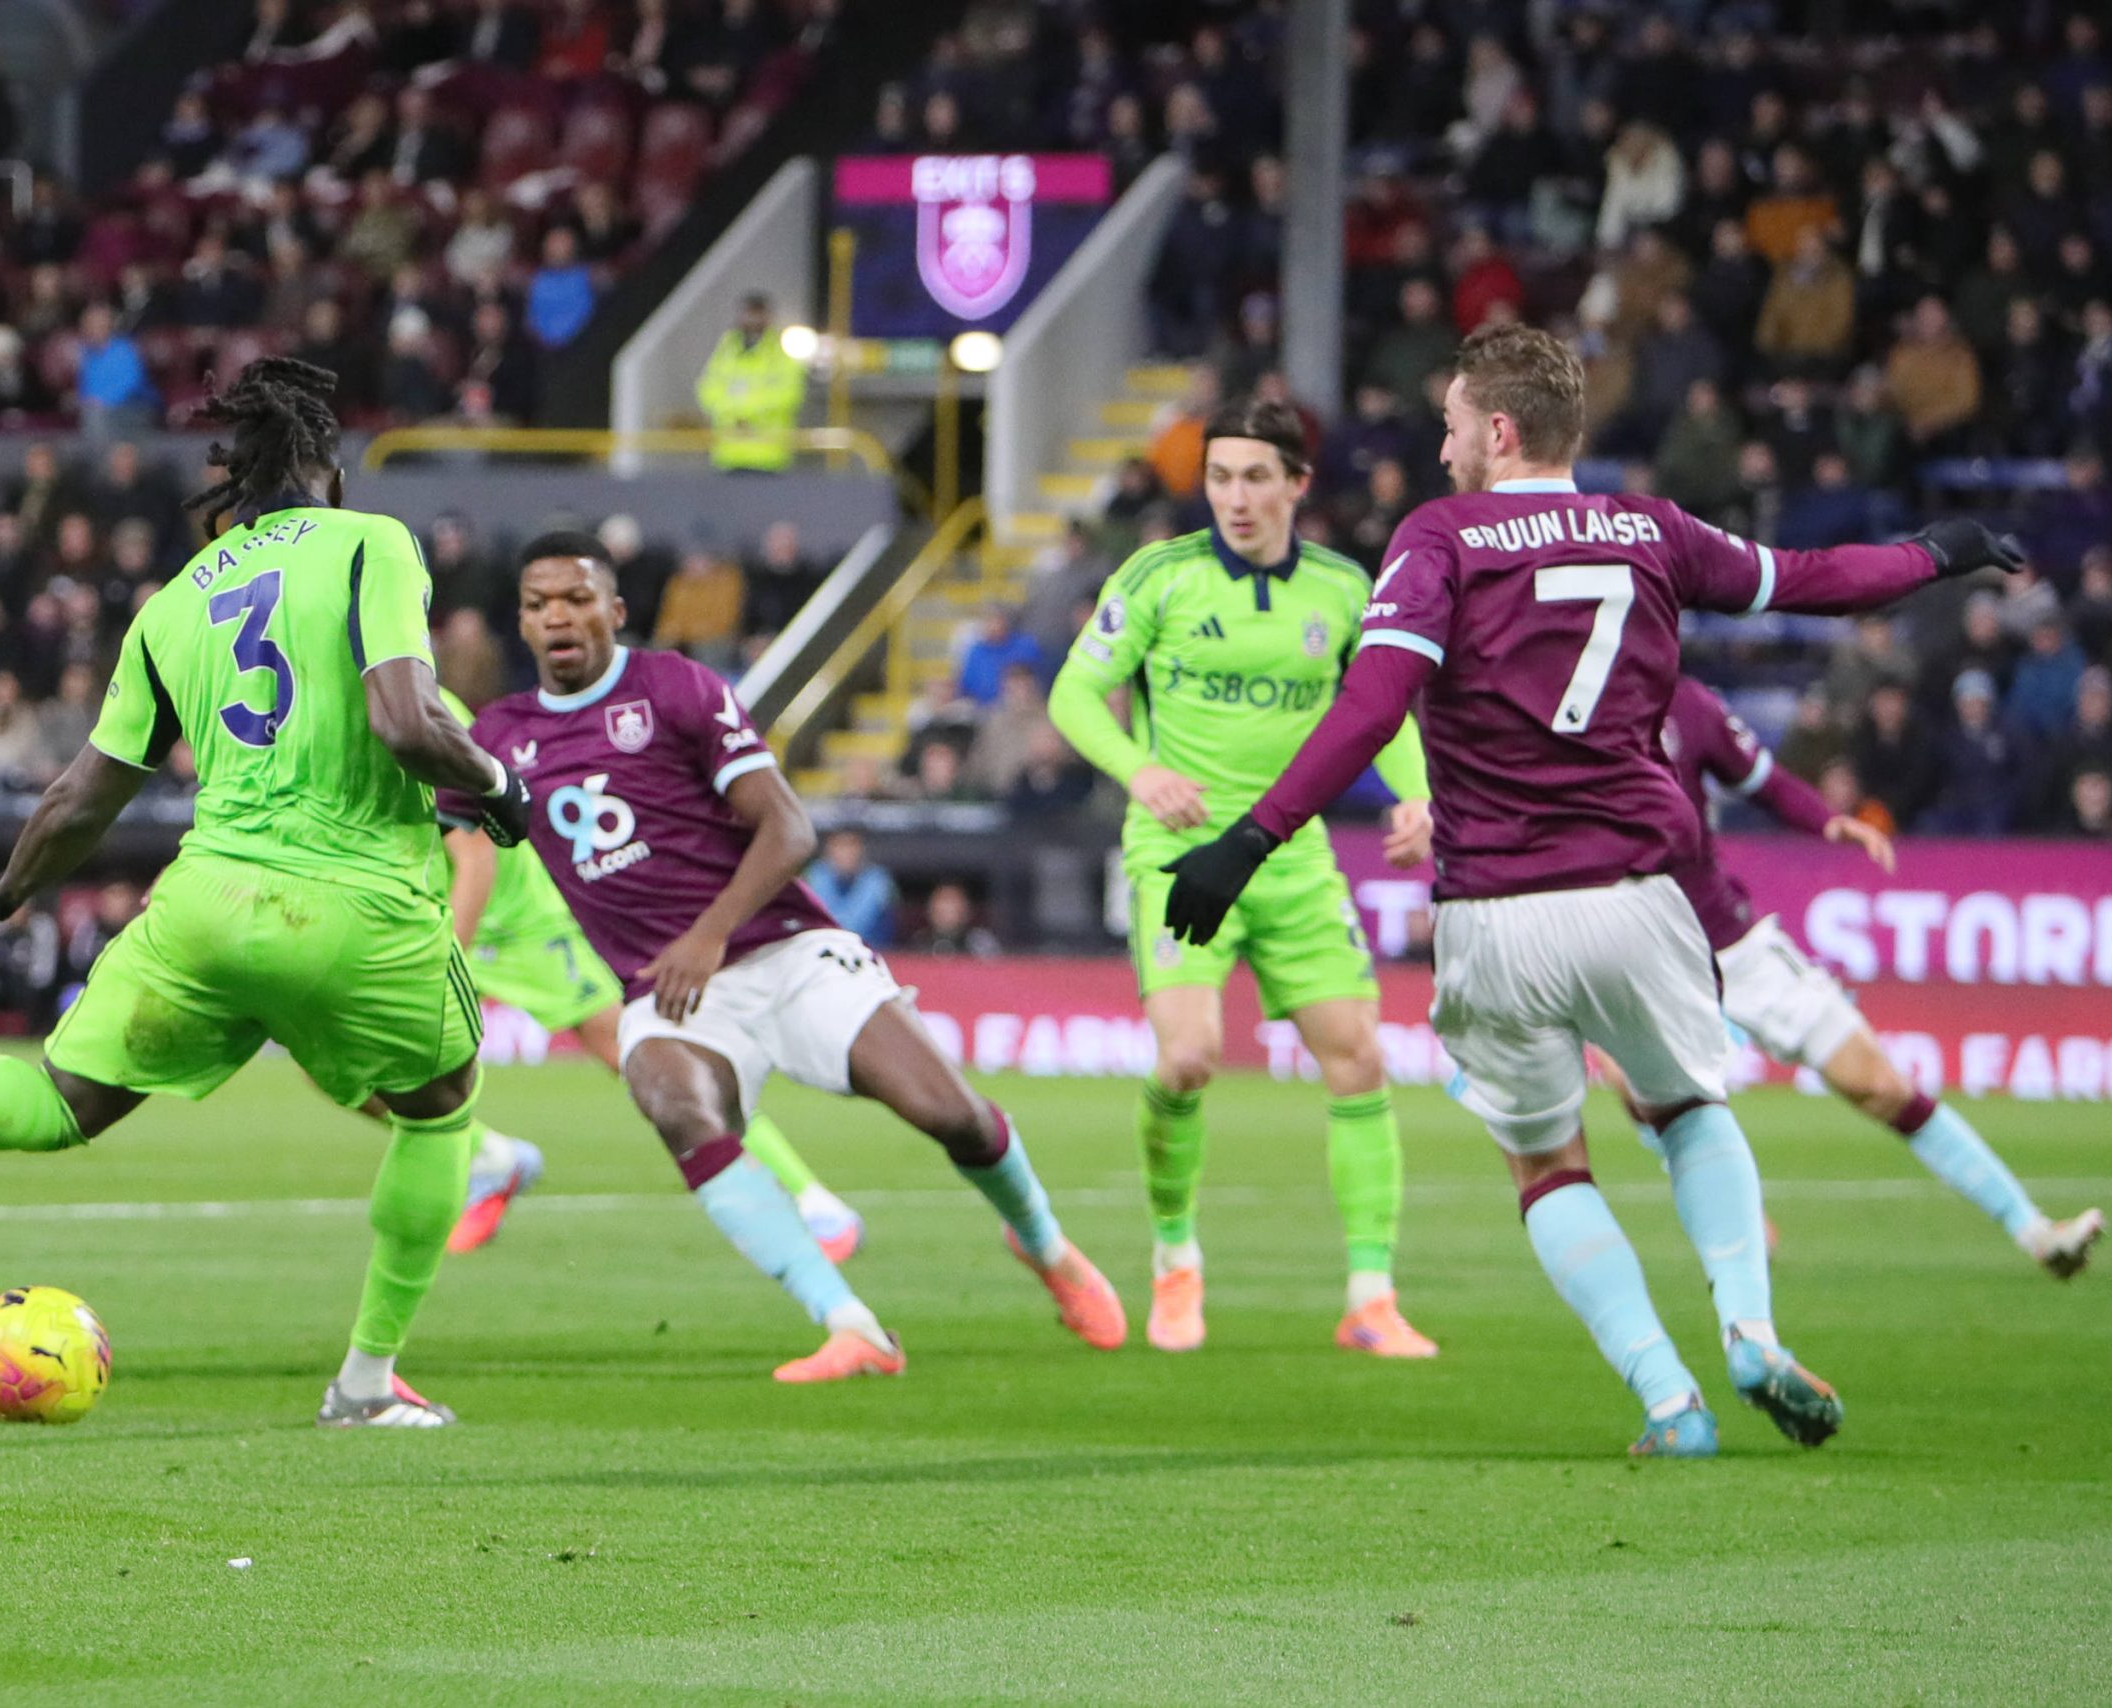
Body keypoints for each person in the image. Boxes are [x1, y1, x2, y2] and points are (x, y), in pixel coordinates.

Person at [1157, 324, 2027, 1456]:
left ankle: (1669, 1398)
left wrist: (1250, 838)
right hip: (1641, 895)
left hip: (1496, 912)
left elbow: (1371, 707)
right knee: (1689, 1111)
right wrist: (1937, 551)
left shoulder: (1441, 537)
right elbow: (1814, 583)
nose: (1441, 445)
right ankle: (1750, 1326)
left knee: (1545, 1163)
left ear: (1499, 429)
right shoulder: (1649, 530)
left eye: (1454, 422)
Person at [0, 359, 534, 1431]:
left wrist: (4, 888)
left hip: (202, 906)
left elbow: (79, 795)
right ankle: (362, 1385)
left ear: (231, 496)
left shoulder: (174, 606)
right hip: (356, 909)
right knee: (441, 1114)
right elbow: (406, 719)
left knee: (70, 1100)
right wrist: (497, 782)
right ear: (322, 471)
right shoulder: (372, 543)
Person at [459, 531, 1126, 1381]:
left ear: (615, 611)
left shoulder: (677, 687)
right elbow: (456, 843)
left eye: (578, 599)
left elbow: (791, 826)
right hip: (667, 993)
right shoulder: (499, 738)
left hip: (787, 950)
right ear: (521, 621)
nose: (559, 616)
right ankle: (848, 1323)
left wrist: (708, 933)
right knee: (667, 1094)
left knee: (948, 1113)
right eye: (539, 603)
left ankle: (1043, 1244)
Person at [1048, 394, 1439, 1358]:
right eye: (1220, 476)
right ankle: (1175, 1258)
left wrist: (1415, 796)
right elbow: (1073, 692)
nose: (1236, 497)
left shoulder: (1346, 590)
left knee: (1357, 1056)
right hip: (1179, 859)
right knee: (1187, 1060)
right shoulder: (1160, 577)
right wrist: (1140, 769)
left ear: (1299, 485)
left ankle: (1371, 1296)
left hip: (1293, 857)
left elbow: (1382, 711)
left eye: (1257, 477)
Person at [1601, 677, 2104, 1272]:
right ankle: (1725, 1211)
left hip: (1733, 944)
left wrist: (1827, 821)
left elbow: (1763, 781)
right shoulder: (1556, 709)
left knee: (1880, 1084)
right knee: (1637, 1089)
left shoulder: (1689, 703)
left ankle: (2035, 1231)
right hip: (1637, 954)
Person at [431, 767, 868, 1262]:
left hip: (515, 927)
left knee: (647, 1059)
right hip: (424, 914)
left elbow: (474, 852)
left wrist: (442, 962)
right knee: (357, 1055)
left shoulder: (423, 709)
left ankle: (810, 1200)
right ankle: (490, 1156)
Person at [696, 292, 807, 473]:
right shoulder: (726, 350)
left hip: (768, 455)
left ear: (768, 316)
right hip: (728, 454)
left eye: (758, 313)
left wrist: (742, 411)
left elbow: (790, 394)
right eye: (749, 313)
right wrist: (737, 411)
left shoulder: (781, 353)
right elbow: (707, 391)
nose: (753, 319)